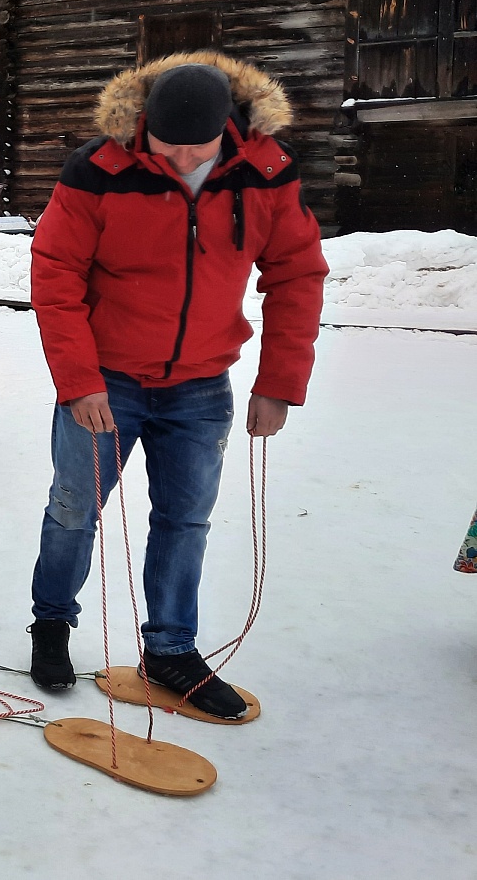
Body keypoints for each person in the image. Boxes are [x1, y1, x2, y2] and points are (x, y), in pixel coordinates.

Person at [26, 53, 327, 720]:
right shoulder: (98, 169)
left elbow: (297, 274)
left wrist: (279, 380)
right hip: (105, 379)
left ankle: (170, 649)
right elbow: (55, 273)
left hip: (200, 386)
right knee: (74, 509)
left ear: (229, 127)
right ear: (143, 126)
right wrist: (78, 382)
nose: (185, 158)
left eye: (200, 145)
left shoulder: (266, 171)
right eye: (169, 145)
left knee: (185, 521)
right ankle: (51, 624)